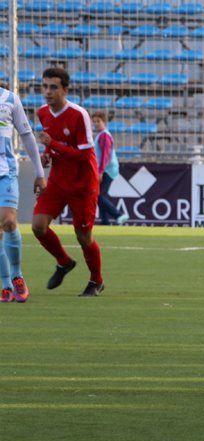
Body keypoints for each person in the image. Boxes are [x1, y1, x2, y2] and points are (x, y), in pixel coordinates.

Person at [32, 67, 105, 297]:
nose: (48, 92)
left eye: (53, 87)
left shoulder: (78, 114)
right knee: (38, 226)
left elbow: (84, 155)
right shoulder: (42, 113)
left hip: (83, 184)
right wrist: (45, 156)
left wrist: (52, 144)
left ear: (65, 89)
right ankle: (64, 261)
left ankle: (96, 281)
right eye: (45, 86)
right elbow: (50, 145)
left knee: (83, 237)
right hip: (58, 180)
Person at [0, 86, 46, 303]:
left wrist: (39, 173)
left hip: (5, 172)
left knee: (8, 221)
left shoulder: (10, 99)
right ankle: (6, 284)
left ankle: (18, 276)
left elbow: (27, 135)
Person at [92, 111, 128, 226]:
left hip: (107, 169)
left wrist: (100, 171)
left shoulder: (104, 135)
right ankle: (105, 221)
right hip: (105, 169)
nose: (96, 124)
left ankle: (119, 215)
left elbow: (105, 155)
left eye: (98, 121)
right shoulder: (100, 135)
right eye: (94, 122)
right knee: (100, 195)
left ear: (104, 122)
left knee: (99, 196)